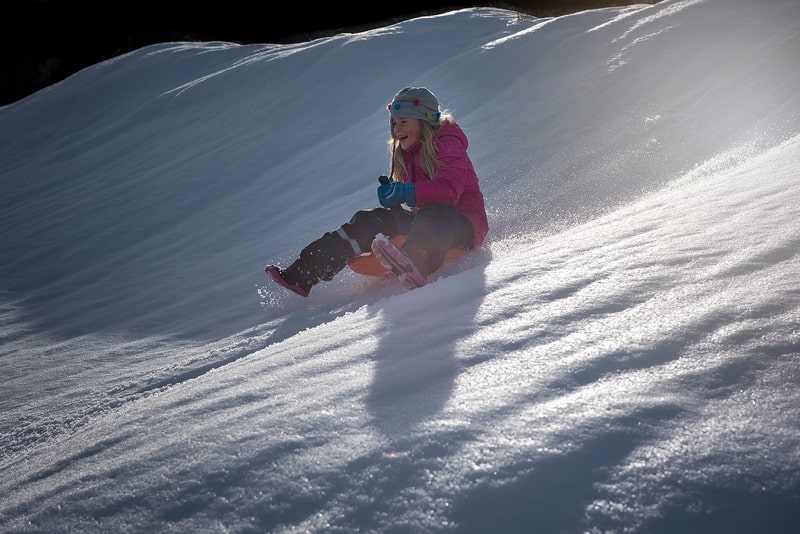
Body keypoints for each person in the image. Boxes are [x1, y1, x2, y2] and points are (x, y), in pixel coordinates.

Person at [265, 86, 488, 297]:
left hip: (463, 224)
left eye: (403, 121)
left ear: (424, 121)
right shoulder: (407, 152)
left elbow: (449, 192)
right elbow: (419, 201)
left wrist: (407, 191)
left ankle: (416, 262)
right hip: (427, 224)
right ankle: (302, 274)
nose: (397, 128)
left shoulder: (448, 143)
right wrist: (395, 199)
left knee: (435, 214)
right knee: (368, 220)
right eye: (394, 123)